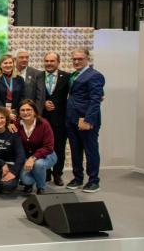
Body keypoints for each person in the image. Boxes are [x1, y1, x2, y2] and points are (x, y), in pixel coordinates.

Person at [66, 48, 105, 193]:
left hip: (86, 120)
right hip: (71, 119)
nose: (76, 61)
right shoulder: (74, 75)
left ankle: (94, 180)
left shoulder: (95, 75)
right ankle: (77, 178)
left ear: (87, 58)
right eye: (74, 59)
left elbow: (96, 100)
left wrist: (88, 119)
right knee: (75, 150)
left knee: (90, 150)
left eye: (80, 59)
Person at [34, 52, 69, 186]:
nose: (49, 63)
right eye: (46, 61)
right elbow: (34, 95)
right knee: (43, 148)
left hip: (60, 120)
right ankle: (46, 174)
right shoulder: (38, 76)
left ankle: (57, 175)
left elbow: (74, 94)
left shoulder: (66, 77)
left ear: (58, 62)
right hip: (42, 120)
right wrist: (42, 104)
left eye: (52, 61)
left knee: (59, 148)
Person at [14, 99, 57, 195]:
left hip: (47, 155)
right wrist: (8, 124)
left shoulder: (44, 124)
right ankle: (30, 183)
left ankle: (41, 187)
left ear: (34, 111)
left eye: (29, 109)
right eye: (23, 110)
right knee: (26, 180)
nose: (26, 112)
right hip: (27, 157)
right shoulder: (17, 125)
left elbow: (48, 147)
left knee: (38, 164)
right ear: (19, 113)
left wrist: (33, 158)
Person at [0, 54, 24, 120]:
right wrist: (6, 111)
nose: (8, 65)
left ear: (13, 64)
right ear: (0, 65)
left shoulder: (20, 79)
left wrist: (15, 110)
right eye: (5, 63)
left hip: (16, 113)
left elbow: (22, 97)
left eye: (10, 63)